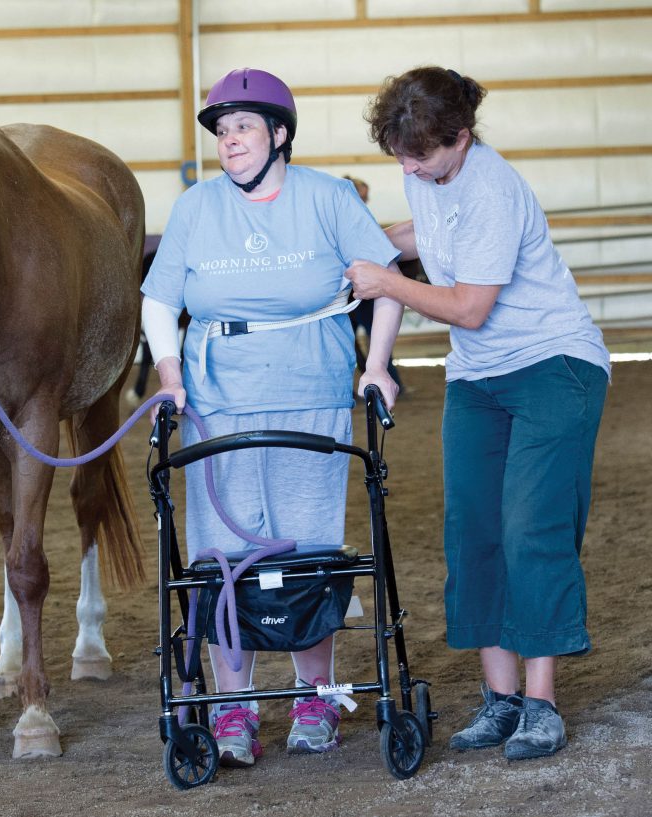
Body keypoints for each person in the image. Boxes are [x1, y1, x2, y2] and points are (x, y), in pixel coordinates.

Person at [141, 67, 403, 768]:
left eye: (244, 128)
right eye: (223, 131)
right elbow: (160, 300)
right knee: (222, 559)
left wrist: (375, 365)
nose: (230, 142)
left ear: (279, 134)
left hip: (310, 391)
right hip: (217, 396)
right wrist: (169, 374)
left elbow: (384, 278)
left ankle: (314, 695)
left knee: (304, 548)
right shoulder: (197, 207)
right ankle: (232, 707)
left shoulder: (328, 197)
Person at [347, 66, 610, 761]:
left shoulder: (492, 186)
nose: (407, 166)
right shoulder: (421, 168)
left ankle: (542, 702)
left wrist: (384, 277)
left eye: (421, 157)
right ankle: (500, 701)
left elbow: (468, 306)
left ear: (461, 138)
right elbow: (423, 234)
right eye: (399, 155)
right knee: (473, 530)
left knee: (532, 527)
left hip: (553, 365)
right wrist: (375, 247)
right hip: (478, 375)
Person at [341, 175, 404, 391]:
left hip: (364, 294)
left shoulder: (359, 221)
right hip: (349, 295)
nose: (365, 202)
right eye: (362, 197)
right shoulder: (346, 220)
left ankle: (383, 377)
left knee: (376, 336)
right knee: (355, 338)